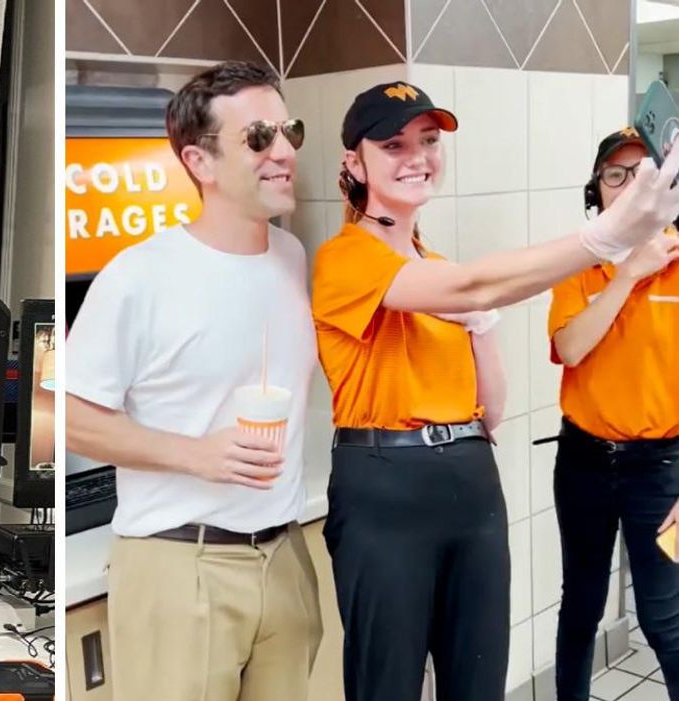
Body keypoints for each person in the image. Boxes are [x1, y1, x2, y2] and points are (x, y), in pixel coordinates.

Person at [312, 82, 679, 701]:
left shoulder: (440, 266)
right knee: (388, 682)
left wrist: (479, 318)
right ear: (354, 162)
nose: (417, 156)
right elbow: (485, 294)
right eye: (393, 144)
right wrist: (606, 242)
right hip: (385, 486)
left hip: (472, 479)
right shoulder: (344, 260)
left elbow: (494, 405)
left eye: (428, 141)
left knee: (479, 677)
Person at [66, 60, 323, 700]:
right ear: (199, 163)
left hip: (284, 555)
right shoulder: (139, 275)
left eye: (289, 131)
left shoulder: (292, 258)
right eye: (259, 137)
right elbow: (66, 415)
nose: (284, 151)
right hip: (180, 565)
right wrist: (195, 454)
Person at [549, 128, 679, 700]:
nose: (628, 186)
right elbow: (572, 347)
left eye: (641, 173)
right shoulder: (579, 263)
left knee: (665, 617)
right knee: (580, 604)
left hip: (664, 470)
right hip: (583, 461)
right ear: (596, 189)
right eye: (614, 175)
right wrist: (628, 271)